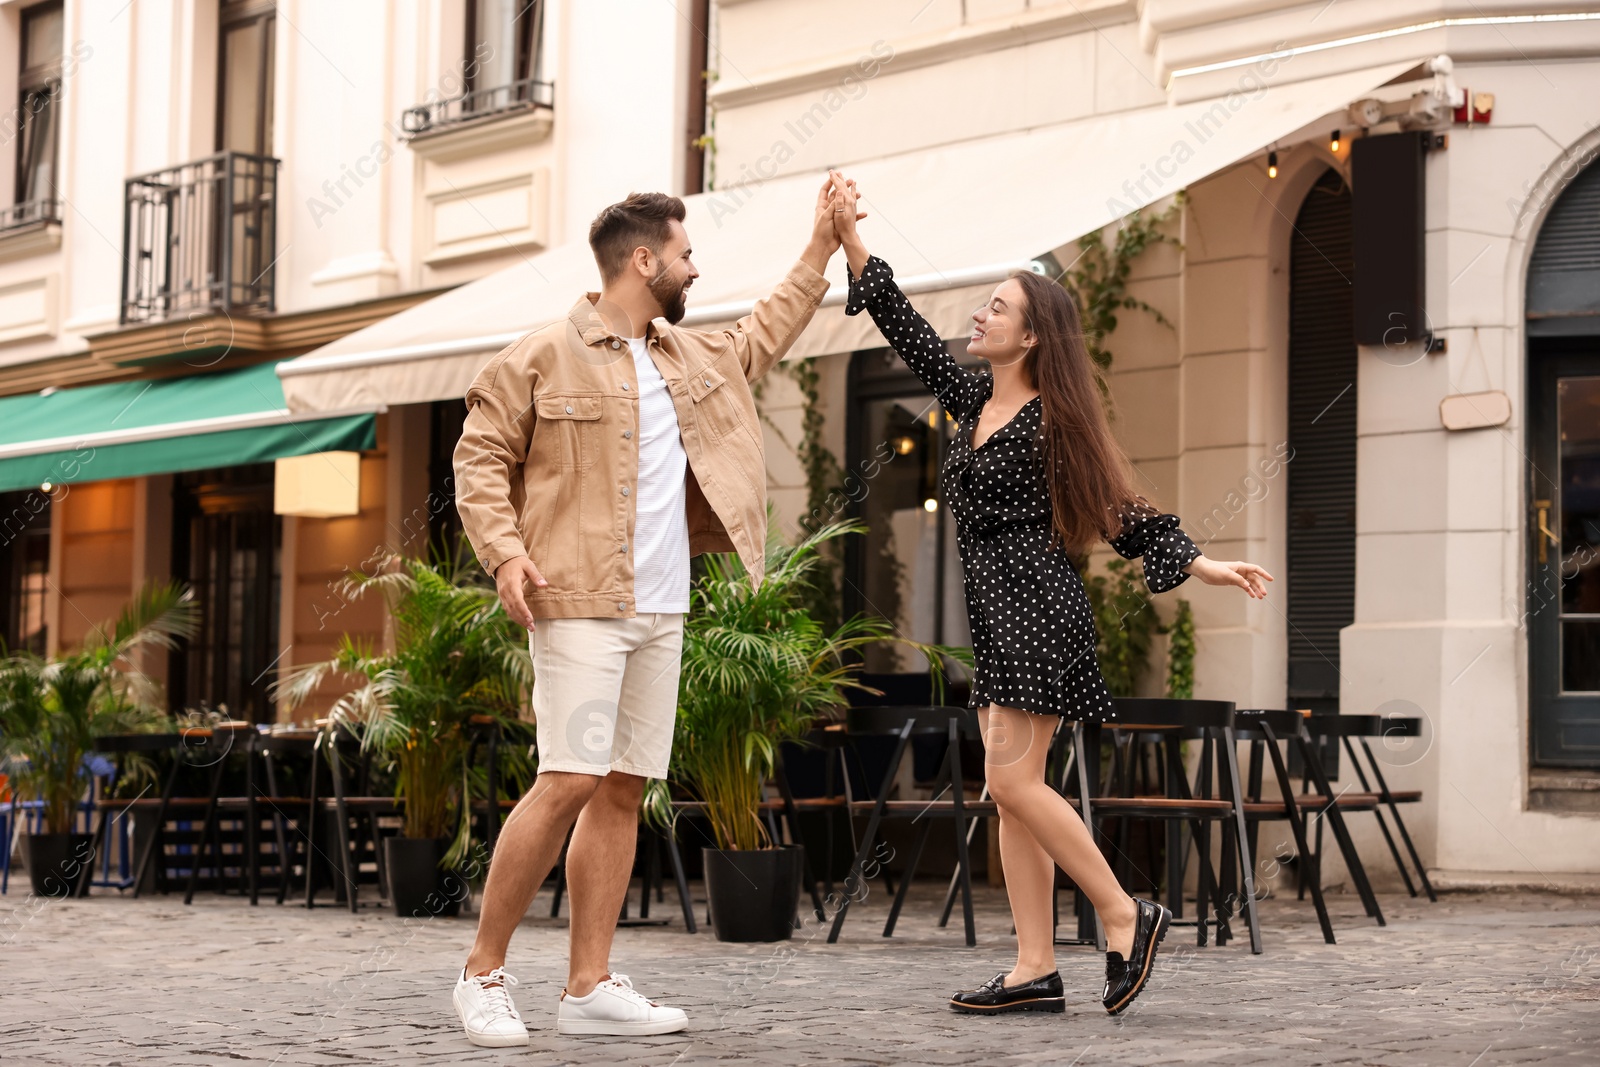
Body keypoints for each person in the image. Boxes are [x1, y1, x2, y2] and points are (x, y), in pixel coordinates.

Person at [826, 169, 1273, 1017]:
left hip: (1039, 609)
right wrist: (850, 237)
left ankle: (1122, 909)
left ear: (1031, 338)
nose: (979, 315)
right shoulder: (971, 405)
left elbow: (1116, 505)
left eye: (996, 307)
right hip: (996, 618)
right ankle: (1034, 964)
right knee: (1007, 788)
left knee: (1014, 783)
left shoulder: (1053, 423)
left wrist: (1201, 562)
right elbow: (906, 328)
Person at [449, 178, 856, 1045]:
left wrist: (821, 244)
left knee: (625, 787)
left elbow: (764, 333)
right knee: (567, 777)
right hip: (579, 603)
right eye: (684, 254)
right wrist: (506, 552)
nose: (693, 267)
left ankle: (587, 984)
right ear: (644, 260)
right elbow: (479, 459)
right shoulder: (540, 356)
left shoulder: (688, 357)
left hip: (661, 606)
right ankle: (482, 972)